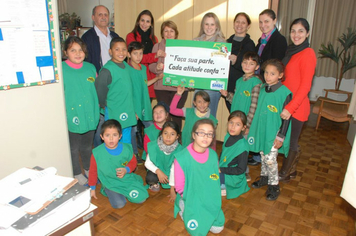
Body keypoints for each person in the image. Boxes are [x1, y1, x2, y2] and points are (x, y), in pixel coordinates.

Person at [279, 18, 317, 182]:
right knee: (286, 139)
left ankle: (284, 173)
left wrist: (291, 107)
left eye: (301, 31)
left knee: (292, 141)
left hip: (297, 106)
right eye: (293, 30)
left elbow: (305, 86)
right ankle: (292, 169)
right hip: (287, 103)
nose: (296, 34)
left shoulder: (308, 53)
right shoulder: (291, 52)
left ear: (307, 33)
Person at [248, 59, 292, 201]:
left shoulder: (285, 93)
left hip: (274, 133)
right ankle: (264, 178)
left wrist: (281, 136)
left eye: (272, 74)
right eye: (266, 72)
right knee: (263, 155)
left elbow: (287, 118)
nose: (268, 76)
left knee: (270, 159)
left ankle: (274, 185)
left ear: (280, 75)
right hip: (261, 130)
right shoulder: (262, 89)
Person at [249, 9, 287, 166]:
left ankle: (263, 155)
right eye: (261, 22)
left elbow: (275, 64)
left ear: (274, 21)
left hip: (269, 83)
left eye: (267, 21)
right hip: (262, 82)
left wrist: (267, 77)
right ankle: (259, 153)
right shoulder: (262, 39)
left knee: (267, 121)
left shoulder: (279, 40)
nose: (263, 25)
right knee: (259, 117)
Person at [174, 119, 225, 235]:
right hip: (190, 195)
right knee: (197, 232)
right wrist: (191, 199)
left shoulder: (213, 154)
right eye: (201, 133)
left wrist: (211, 196)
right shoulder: (182, 157)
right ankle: (183, 206)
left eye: (209, 134)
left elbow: (214, 179)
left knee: (218, 229)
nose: (205, 137)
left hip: (207, 195)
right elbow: (179, 186)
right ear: (193, 135)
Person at [62, 36, 99, 185]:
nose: (78, 53)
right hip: (72, 115)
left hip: (89, 113)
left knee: (86, 146)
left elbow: (96, 90)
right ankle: (77, 173)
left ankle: (89, 170)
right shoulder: (61, 69)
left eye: (81, 50)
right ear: (66, 52)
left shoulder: (91, 68)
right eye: (73, 50)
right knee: (73, 147)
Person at [220, 51, 262, 182]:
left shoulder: (256, 82)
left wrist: (247, 125)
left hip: (244, 124)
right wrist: (227, 95)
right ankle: (231, 167)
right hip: (235, 121)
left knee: (242, 147)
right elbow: (235, 99)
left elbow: (254, 106)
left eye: (251, 63)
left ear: (256, 67)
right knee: (233, 145)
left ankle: (245, 172)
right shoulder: (239, 81)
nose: (247, 65)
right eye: (245, 62)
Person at [82, 5, 119, 148]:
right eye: (100, 14)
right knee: (100, 120)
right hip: (98, 84)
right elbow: (85, 63)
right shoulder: (87, 37)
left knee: (114, 117)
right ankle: (99, 151)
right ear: (93, 17)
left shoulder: (115, 36)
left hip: (115, 83)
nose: (103, 17)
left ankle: (115, 149)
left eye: (105, 14)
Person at [88, 119, 149, 209]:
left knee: (141, 198)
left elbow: (133, 162)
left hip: (125, 179)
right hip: (110, 182)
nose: (111, 138)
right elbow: (93, 171)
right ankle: (108, 190)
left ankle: (125, 190)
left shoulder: (126, 148)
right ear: (102, 136)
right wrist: (92, 188)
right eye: (107, 135)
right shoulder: (97, 153)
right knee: (119, 204)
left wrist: (126, 169)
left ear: (120, 136)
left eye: (115, 135)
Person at [95, 37, 136, 145]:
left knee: (126, 138)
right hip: (114, 110)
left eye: (124, 49)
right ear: (110, 51)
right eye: (117, 49)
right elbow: (100, 89)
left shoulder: (126, 66)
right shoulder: (107, 70)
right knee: (113, 137)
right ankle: (113, 160)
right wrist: (103, 104)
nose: (121, 52)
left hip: (127, 109)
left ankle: (125, 160)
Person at [127, 41, 162, 164]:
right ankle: (134, 153)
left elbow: (144, 83)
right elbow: (127, 90)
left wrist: (157, 78)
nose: (138, 56)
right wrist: (132, 109)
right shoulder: (127, 69)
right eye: (135, 53)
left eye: (140, 53)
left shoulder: (143, 68)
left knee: (151, 127)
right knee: (133, 131)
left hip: (143, 103)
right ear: (129, 54)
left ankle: (152, 151)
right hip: (133, 105)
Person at [149, 20, 188, 130]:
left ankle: (177, 139)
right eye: (166, 31)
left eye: (171, 31)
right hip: (161, 87)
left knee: (176, 116)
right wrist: (157, 68)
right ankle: (163, 139)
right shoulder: (157, 47)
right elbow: (151, 66)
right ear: (162, 33)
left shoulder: (183, 47)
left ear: (176, 33)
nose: (169, 34)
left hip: (179, 88)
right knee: (164, 115)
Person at [126, 10, 165, 99]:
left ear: (151, 24)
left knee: (147, 105)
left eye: (148, 21)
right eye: (142, 20)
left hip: (150, 75)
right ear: (138, 21)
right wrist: (154, 56)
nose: (144, 24)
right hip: (136, 72)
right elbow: (136, 58)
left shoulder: (154, 39)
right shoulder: (131, 36)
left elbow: (156, 60)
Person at [193, 12, 225, 118]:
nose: (209, 27)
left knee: (209, 119)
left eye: (212, 24)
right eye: (206, 24)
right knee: (196, 118)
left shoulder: (222, 43)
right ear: (202, 25)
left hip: (213, 88)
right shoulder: (195, 41)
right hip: (198, 85)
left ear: (217, 26)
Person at [226, 12, 256, 111]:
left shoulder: (250, 44)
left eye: (243, 23)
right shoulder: (226, 42)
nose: (240, 25)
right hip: (228, 86)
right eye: (237, 22)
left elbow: (251, 65)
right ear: (234, 24)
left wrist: (237, 61)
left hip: (242, 85)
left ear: (248, 26)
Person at [145, 121, 182, 200]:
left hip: (172, 173)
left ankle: (173, 184)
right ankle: (155, 183)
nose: (168, 137)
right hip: (158, 170)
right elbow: (147, 163)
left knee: (183, 178)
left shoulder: (180, 150)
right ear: (161, 134)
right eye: (165, 133)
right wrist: (158, 171)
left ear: (177, 136)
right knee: (150, 178)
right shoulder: (154, 145)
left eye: (172, 134)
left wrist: (172, 189)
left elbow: (174, 169)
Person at [219, 111, 250, 199]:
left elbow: (240, 170)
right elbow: (223, 153)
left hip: (233, 177)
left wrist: (221, 169)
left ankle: (223, 186)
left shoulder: (242, 147)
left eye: (237, 124)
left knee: (209, 178)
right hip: (224, 167)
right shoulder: (227, 136)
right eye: (231, 123)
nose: (232, 127)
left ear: (244, 128)